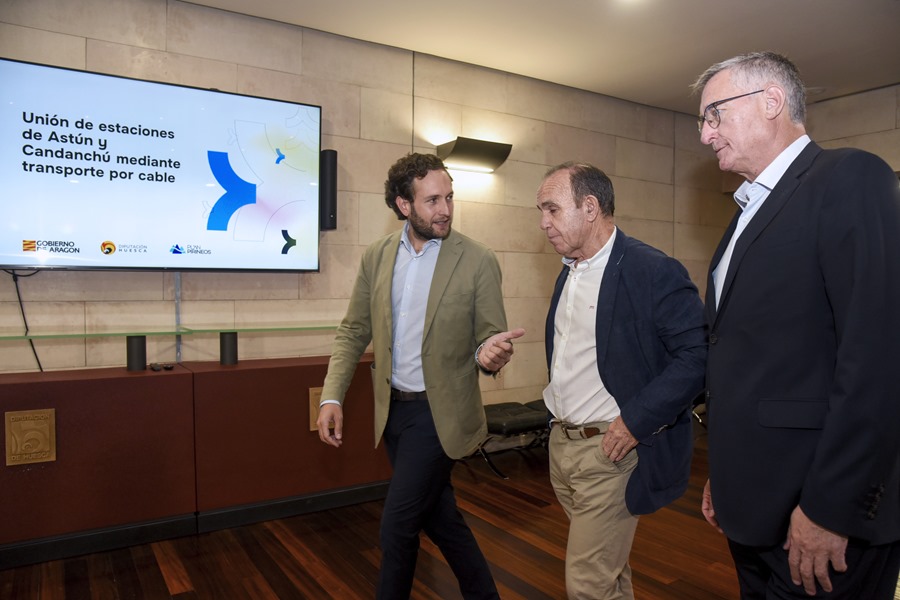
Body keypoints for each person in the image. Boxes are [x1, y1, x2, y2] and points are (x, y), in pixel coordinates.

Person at [692, 51, 900, 598]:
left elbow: (877, 359)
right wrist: (729, 472)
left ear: (771, 102)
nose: (705, 134)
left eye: (713, 114)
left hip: (821, 517)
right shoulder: (747, 212)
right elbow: (749, 360)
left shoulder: (849, 178)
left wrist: (831, 509)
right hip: (755, 504)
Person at [316, 152, 525, 600]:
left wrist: (492, 354)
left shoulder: (477, 259)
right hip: (393, 413)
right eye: (432, 200)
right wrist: (331, 397)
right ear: (403, 205)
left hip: (440, 413)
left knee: (396, 528)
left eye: (449, 197)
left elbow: (491, 337)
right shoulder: (377, 256)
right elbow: (354, 330)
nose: (445, 209)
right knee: (441, 518)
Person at [536, 162, 707, 599]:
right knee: (609, 573)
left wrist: (635, 422)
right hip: (562, 446)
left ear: (590, 207)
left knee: (587, 585)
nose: (544, 224)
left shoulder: (652, 270)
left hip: (609, 451)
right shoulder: (569, 270)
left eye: (553, 210)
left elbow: (697, 355)